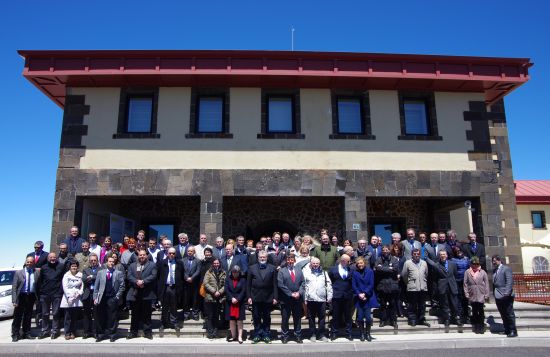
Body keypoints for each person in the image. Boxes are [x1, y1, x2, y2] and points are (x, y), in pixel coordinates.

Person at [247, 250, 278, 343]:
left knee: (267, 317)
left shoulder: (272, 268)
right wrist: (248, 297)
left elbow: (275, 284)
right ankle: (257, 334)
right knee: (256, 316)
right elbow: (248, 284)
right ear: (258, 258)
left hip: (268, 297)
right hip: (255, 297)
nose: (262, 258)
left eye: (264, 257)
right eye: (261, 257)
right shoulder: (252, 268)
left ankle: (266, 335)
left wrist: (275, 297)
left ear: (267, 258)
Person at [426, 250, 461, 331]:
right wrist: (436, 289)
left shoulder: (452, 264)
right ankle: (447, 319)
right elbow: (435, 279)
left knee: (454, 304)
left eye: (444, 254)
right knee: (445, 305)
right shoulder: (436, 265)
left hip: (452, 286)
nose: (443, 256)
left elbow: (455, 275)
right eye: (441, 254)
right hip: (442, 287)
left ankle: (455, 318)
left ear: (447, 255)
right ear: (439, 256)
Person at [126, 249, 157, 339]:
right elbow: (129, 276)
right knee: (135, 314)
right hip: (135, 293)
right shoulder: (132, 265)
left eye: (143, 255)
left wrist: (143, 281)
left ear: (147, 256)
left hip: (147, 293)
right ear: (138, 256)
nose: (142, 256)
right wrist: (136, 282)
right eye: (140, 255)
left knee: (147, 314)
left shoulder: (152, 265)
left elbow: (153, 275)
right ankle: (133, 332)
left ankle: (147, 332)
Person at [93, 256, 125, 342]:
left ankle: (112, 334)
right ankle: (100, 334)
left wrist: (117, 296)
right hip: (102, 297)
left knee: (112, 317)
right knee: (100, 316)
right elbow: (96, 286)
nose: (111, 263)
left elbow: (122, 286)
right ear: (106, 262)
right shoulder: (100, 273)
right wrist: (95, 297)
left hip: (112, 297)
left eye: (113, 262)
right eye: (110, 261)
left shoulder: (118, 273)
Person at [303, 257, 332, 342]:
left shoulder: (324, 273)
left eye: (317, 263)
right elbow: (304, 287)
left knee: (322, 317)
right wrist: (305, 298)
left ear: (319, 264)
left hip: (321, 299)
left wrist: (329, 296)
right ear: (311, 264)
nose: (315, 265)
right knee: (311, 318)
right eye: (313, 263)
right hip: (311, 299)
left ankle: (321, 334)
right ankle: (312, 334)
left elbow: (329, 285)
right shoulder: (307, 274)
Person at [277, 253, 305, 344]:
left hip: (297, 299)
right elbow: (280, 284)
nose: (290, 261)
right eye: (288, 259)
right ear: (286, 261)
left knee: (297, 318)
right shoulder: (282, 271)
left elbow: (303, 283)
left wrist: (299, 293)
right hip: (286, 299)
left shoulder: (299, 270)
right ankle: (285, 336)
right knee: (285, 319)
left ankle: (298, 335)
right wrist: (290, 294)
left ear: (294, 260)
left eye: (292, 259)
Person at [37, 252, 64, 339]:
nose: (53, 259)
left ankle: (55, 330)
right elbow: (40, 281)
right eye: (51, 257)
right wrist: (41, 292)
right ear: (48, 258)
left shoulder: (61, 266)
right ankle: (45, 331)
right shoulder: (44, 267)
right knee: (45, 313)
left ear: (56, 258)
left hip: (56, 294)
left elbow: (63, 279)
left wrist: (61, 291)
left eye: (54, 257)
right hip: (45, 294)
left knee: (56, 313)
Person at [11, 256, 39, 342]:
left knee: (28, 316)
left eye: (31, 262)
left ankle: (26, 333)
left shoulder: (36, 273)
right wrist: (14, 300)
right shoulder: (19, 273)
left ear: (33, 263)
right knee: (17, 317)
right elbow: (14, 287)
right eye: (28, 262)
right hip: (21, 296)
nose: (29, 264)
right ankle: (15, 334)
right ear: (25, 262)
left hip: (31, 296)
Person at [157, 247, 184, 336]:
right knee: (165, 306)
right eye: (170, 253)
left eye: (173, 253)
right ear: (167, 254)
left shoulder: (179, 263)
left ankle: (174, 323)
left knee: (174, 306)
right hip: (165, 287)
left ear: (175, 254)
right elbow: (158, 276)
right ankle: (164, 323)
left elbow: (182, 276)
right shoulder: (162, 263)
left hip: (175, 287)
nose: (171, 255)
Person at [401, 248, 430, 327]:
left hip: (422, 287)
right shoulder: (407, 263)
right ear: (412, 254)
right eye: (415, 254)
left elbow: (426, 274)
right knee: (412, 305)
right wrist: (409, 282)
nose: (416, 255)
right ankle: (412, 319)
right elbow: (404, 275)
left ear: (420, 254)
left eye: (418, 254)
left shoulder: (424, 263)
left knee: (422, 305)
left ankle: (421, 319)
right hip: (412, 288)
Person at [328, 254, 353, 341]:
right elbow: (329, 281)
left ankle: (349, 333)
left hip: (347, 296)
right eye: (348, 261)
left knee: (348, 316)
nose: (349, 262)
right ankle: (334, 333)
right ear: (343, 260)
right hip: (336, 295)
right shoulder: (332, 269)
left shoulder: (351, 269)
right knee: (336, 315)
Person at [492, 255, 517, 337]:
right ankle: (507, 330)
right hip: (498, 295)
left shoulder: (506, 269)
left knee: (509, 313)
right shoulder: (495, 270)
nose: (493, 263)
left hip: (506, 295)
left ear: (499, 260)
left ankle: (513, 330)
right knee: (503, 313)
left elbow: (509, 281)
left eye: (494, 261)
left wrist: (507, 292)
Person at [352, 256, 376, 342]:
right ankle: (362, 334)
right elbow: (354, 285)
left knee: (368, 318)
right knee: (360, 318)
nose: (360, 265)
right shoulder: (355, 273)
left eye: (361, 263)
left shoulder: (370, 272)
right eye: (358, 264)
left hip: (368, 297)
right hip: (359, 298)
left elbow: (371, 284)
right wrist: (359, 294)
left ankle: (368, 333)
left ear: (364, 263)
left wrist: (364, 293)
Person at [374, 245, 399, 328]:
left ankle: (393, 320)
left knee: (392, 304)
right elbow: (377, 268)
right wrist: (389, 268)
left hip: (392, 286)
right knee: (382, 304)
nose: (385, 251)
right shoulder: (378, 259)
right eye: (383, 250)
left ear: (389, 250)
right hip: (382, 286)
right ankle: (383, 320)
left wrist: (383, 268)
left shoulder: (394, 259)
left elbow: (395, 269)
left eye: (387, 250)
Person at [463, 256, 489, 334]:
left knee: (481, 310)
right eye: (473, 264)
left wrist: (486, 294)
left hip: (481, 293)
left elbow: (487, 283)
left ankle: (481, 326)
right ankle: (476, 326)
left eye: (476, 264)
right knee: (474, 310)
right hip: (472, 293)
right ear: (471, 264)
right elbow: (465, 283)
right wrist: (466, 293)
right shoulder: (467, 272)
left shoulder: (483, 272)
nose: (475, 265)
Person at [203, 258, 226, 339]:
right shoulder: (208, 272)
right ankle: (210, 332)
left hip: (219, 298)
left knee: (216, 316)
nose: (216, 264)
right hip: (210, 297)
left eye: (217, 263)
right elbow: (205, 283)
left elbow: (225, 285)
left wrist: (219, 292)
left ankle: (215, 332)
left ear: (220, 264)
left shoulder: (223, 272)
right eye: (215, 263)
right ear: (212, 264)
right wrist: (214, 291)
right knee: (210, 315)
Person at [61, 260, 83, 339]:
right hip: (68, 298)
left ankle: (73, 332)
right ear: (70, 267)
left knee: (74, 317)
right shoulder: (66, 275)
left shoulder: (80, 275)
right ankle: (67, 332)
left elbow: (82, 286)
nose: (74, 267)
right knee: (67, 317)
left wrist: (79, 293)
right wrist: (69, 296)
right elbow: (65, 286)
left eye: (75, 266)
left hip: (77, 297)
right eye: (72, 266)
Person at [225, 265, 246, 343]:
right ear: (231, 272)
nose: (235, 274)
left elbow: (244, 290)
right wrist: (231, 298)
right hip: (230, 302)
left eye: (237, 272)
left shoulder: (243, 280)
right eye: (234, 272)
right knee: (232, 320)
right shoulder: (227, 279)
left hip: (239, 302)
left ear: (239, 272)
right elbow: (226, 290)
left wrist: (238, 298)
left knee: (240, 320)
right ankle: (233, 336)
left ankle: (240, 337)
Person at [81, 253, 100, 339]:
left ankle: (95, 331)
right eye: (91, 260)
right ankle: (86, 332)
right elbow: (84, 279)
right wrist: (94, 278)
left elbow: (100, 279)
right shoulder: (85, 269)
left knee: (96, 314)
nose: (93, 262)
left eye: (94, 260)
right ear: (89, 261)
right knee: (86, 314)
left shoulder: (101, 269)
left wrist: (91, 277)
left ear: (97, 261)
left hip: (97, 294)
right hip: (88, 293)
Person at [451, 246, 470, 324]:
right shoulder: (453, 260)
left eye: (460, 251)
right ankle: (458, 316)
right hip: (456, 281)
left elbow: (469, 269)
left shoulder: (467, 259)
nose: (459, 253)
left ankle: (466, 316)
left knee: (465, 299)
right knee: (458, 299)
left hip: (465, 282)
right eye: (457, 251)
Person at [183, 246, 202, 321]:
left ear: (194, 252)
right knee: (186, 300)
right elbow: (182, 271)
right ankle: (186, 314)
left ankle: (195, 314)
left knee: (195, 300)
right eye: (188, 251)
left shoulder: (198, 261)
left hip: (195, 283)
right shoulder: (182, 260)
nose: (190, 252)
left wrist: (192, 278)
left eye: (191, 251)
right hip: (186, 283)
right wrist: (187, 278)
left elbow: (198, 271)